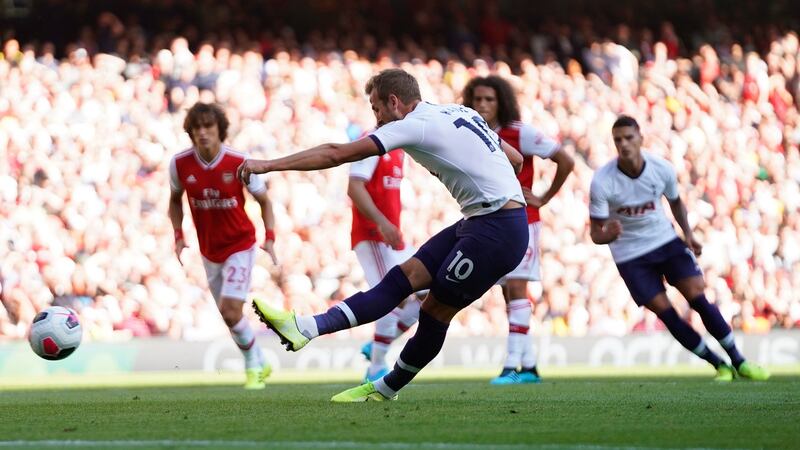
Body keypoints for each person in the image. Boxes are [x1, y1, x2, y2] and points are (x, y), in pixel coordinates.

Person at [238, 68, 529, 401]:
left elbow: (337, 153)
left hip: (496, 230)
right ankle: (305, 327)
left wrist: (269, 165)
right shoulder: (459, 111)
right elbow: (517, 161)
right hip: (483, 220)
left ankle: (385, 389)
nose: (375, 119)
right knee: (401, 279)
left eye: (376, 109)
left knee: (434, 310)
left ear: (394, 102)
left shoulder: (413, 125)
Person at [589, 115, 770, 381]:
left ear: (641, 138)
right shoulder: (603, 181)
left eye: (629, 138)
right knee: (667, 313)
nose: (624, 144)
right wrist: (608, 234)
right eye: (618, 140)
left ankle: (739, 360)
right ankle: (718, 365)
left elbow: (675, 202)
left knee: (698, 296)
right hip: (630, 256)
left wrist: (688, 234)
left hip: (665, 241)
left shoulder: (661, 168)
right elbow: (595, 234)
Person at [462, 75, 574, 385]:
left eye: (489, 99)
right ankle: (529, 366)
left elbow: (564, 159)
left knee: (516, 288)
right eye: (478, 99)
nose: (482, 105)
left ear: (502, 103)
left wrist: (544, 198)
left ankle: (511, 367)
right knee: (507, 292)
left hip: (523, 220)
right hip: (490, 222)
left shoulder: (519, 133)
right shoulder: (469, 133)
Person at [168, 102, 277, 389]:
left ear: (220, 130)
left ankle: (253, 365)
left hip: (240, 244)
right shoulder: (179, 164)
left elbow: (264, 201)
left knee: (231, 310)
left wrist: (271, 237)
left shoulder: (239, 162)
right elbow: (174, 200)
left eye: (208, 127)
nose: (202, 133)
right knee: (230, 318)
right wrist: (178, 235)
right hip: (209, 250)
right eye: (197, 129)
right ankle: (258, 360)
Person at [347, 143, 422, 383]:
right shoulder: (370, 144)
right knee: (391, 295)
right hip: (372, 235)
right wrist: (380, 222)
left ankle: (378, 345)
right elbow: (354, 187)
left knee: (430, 293)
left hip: (393, 238)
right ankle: (376, 368)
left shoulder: (399, 148)